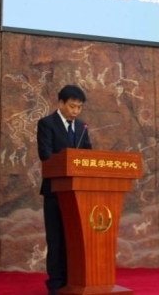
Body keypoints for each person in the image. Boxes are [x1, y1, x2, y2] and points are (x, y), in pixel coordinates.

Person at [37, 84, 92, 295]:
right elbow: (45, 154)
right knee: (56, 238)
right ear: (61, 103)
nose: (76, 111)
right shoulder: (46, 124)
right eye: (72, 106)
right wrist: (67, 160)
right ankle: (56, 283)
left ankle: (74, 280)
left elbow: (88, 155)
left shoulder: (81, 127)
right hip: (55, 190)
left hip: (78, 192)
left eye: (79, 107)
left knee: (74, 238)